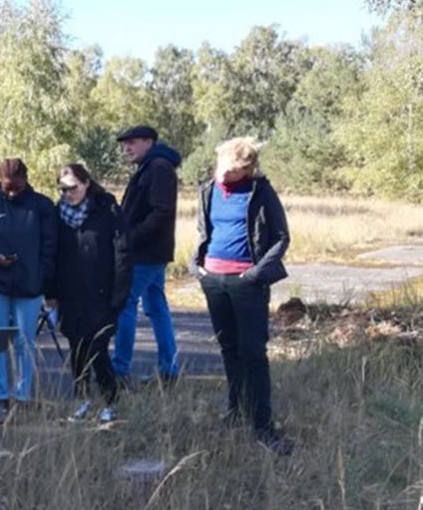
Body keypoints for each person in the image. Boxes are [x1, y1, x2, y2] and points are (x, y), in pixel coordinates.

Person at [192, 137, 293, 455]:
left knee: (253, 354)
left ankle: (263, 427)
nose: (223, 175)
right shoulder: (208, 190)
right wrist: (198, 267)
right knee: (229, 349)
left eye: (232, 171)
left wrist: (254, 274)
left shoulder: (260, 192)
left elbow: (280, 237)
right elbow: (202, 230)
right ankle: (235, 412)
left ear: (247, 170)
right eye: (222, 167)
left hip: (247, 282)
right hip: (213, 280)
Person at [44, 164, 131, 424]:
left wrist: (119, 295)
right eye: (63, 189)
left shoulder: (108, 209)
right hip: (69, 294)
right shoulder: (57, 214)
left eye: (74, 187)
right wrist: (50, 291)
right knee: (78, 349)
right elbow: (51, 254)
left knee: (98, 348)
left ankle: (110, 401)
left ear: (86, 183)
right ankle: (82, 399)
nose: (69, 193)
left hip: (102, 293)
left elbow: (123, 253)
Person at [0, 157, 57, 421]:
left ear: (26, 180)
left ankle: (23, 397)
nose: (10, 192)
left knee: (24, 342)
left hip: (29, 286)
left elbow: (50, 248)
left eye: (16, 188)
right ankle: (0, 397)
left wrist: (43, 281)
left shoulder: (42, 206)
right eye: (6, 187)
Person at [113, 124, 182, 384]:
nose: (126, 148)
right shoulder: (150, 167)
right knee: (156, 307)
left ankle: (120, 371)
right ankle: (169, 369)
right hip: (151, 251)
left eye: (132, 142)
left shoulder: (158, 168)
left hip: (146, 252)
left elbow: (161, 212)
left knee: (125, 305)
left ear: (149, 142)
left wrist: (130, 238)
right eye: (124, 143)